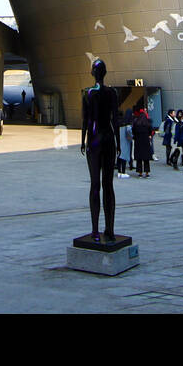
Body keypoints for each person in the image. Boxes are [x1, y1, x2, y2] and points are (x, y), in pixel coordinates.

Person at [80, 58, 120, 240]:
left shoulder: (87, 93)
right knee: (108, 185)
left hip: (94, 138)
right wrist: (118, 141)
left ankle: (95, 230)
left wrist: (83, 141)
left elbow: (86, 120)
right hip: (109, 137)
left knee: (95, 184)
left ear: (92, 73)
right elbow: (115, 120)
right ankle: (109, 229)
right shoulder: (112, 92)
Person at [132, 107, 154, 178]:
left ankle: (140, 172)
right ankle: (147, 172)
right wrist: (149, 135)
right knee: (146, 158)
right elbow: (151, 130)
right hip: (146, 141)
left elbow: (133, 131)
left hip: (138, 141)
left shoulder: (136, 122)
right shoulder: (147, 123)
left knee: (139, 158)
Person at [117, 111, 133, 178]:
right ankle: (123, 172)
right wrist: (131, 138)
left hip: (119, 141)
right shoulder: (127, 123)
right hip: (125, 141)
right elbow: (129, 132)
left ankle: (119, 172)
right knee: (124, 156)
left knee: (119, 156)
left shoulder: (118, 122)